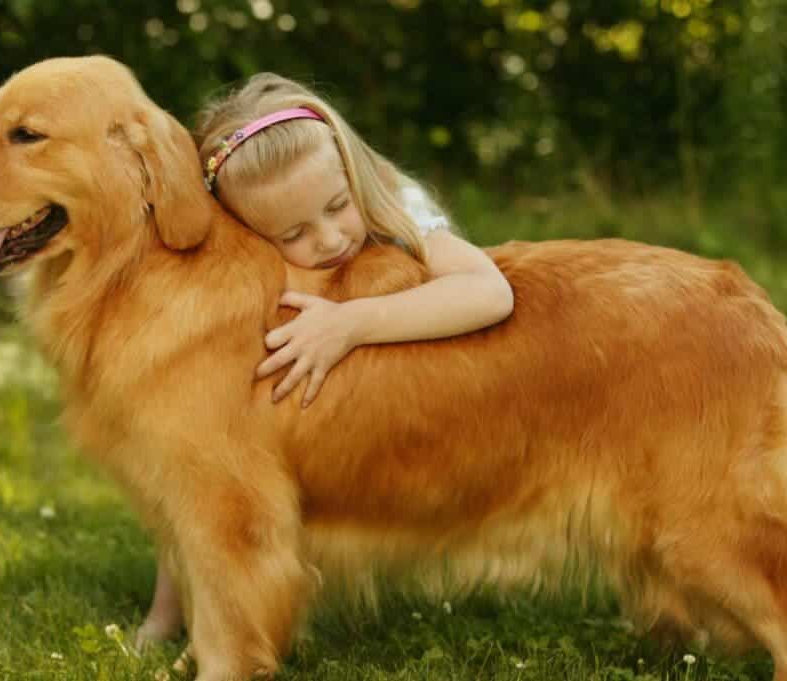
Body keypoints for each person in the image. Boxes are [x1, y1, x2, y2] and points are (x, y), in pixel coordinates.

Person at [134, 73, 514, 649]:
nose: (332, 238)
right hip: (303, 392)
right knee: (203, 454)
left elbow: (490, 293)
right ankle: (168, 614)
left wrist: (352, 323)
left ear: (354, 172)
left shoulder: (392, 205)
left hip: (407, 385)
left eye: (338, 206)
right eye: (294, 234)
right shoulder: (241, 248)